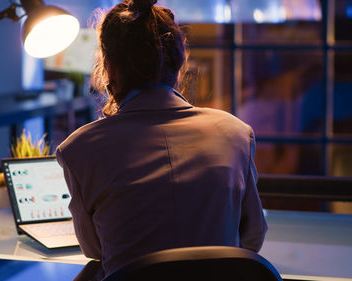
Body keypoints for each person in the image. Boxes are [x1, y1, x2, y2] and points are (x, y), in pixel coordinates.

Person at [55, 0, 268, 279]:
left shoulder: (79, 149)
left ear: (108, 67)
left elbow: (95, 249)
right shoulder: (235, 134)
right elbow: (252, 238)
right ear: (179, 63)